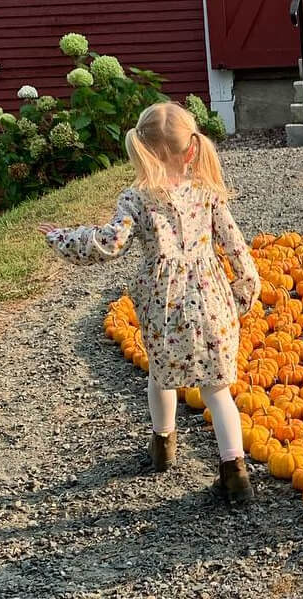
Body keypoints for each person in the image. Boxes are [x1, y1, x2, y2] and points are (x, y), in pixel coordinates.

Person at [40, 101, 262, 505]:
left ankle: (163, 446)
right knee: (218, 388)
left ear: (142, 151)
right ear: (192, 148)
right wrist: (241, 296)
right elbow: (237, 250)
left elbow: (110, 243)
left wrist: (61, 238)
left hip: (165, 303)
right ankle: (236, 474)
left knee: (161, 374)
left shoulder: (136, 199)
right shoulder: (207, 192)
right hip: (212, 298)